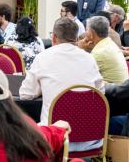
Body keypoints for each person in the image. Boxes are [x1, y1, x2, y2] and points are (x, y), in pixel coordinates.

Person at [19, 18, 104, 150]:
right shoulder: (89, 58)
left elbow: (25, 94)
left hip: (55, 139)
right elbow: (100, 94)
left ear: (53, 37)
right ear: (76, 38)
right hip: (91, 139)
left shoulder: (43, 58)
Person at [85, 15, 128, 85]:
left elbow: (81, 74)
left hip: (109, 94)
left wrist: (80, 49)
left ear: (91, 33)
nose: (85, 33)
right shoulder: (109, 43)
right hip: (119, 91)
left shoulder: (99, 53)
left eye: (86, 30)